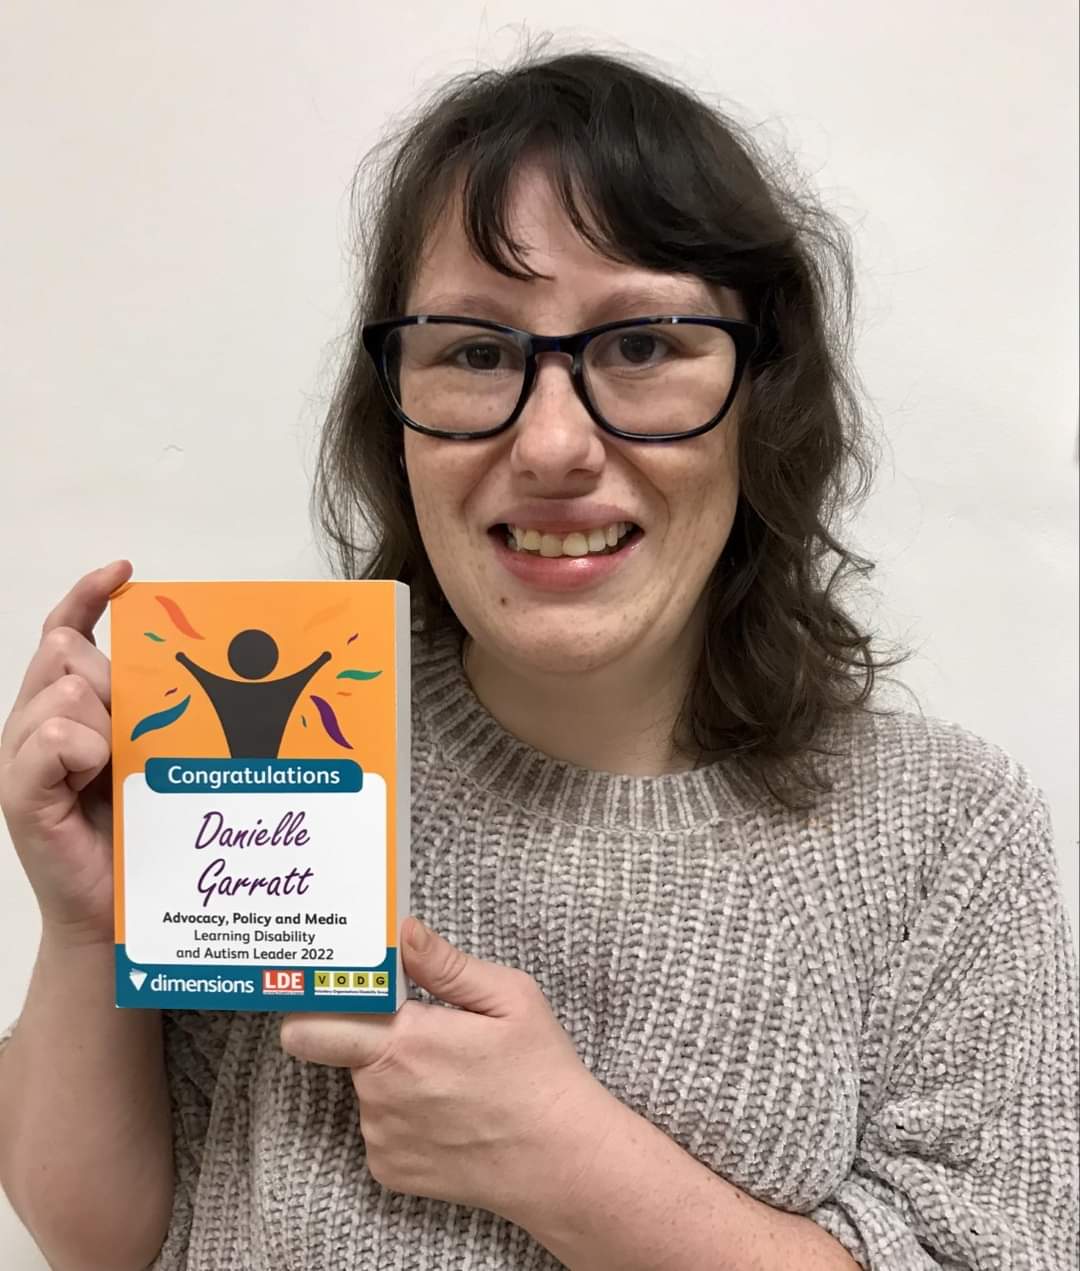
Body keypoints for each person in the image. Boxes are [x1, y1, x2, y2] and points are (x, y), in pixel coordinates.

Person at [0, 45, 1077, 1271]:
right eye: (473, 352)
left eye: (642, 345)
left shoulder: (941, 828)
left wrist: (561, 1158)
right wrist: (85, 926)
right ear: (392, 416)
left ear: (762, 394)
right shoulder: (284, 772)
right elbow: (102, 1240)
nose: (554, 442)